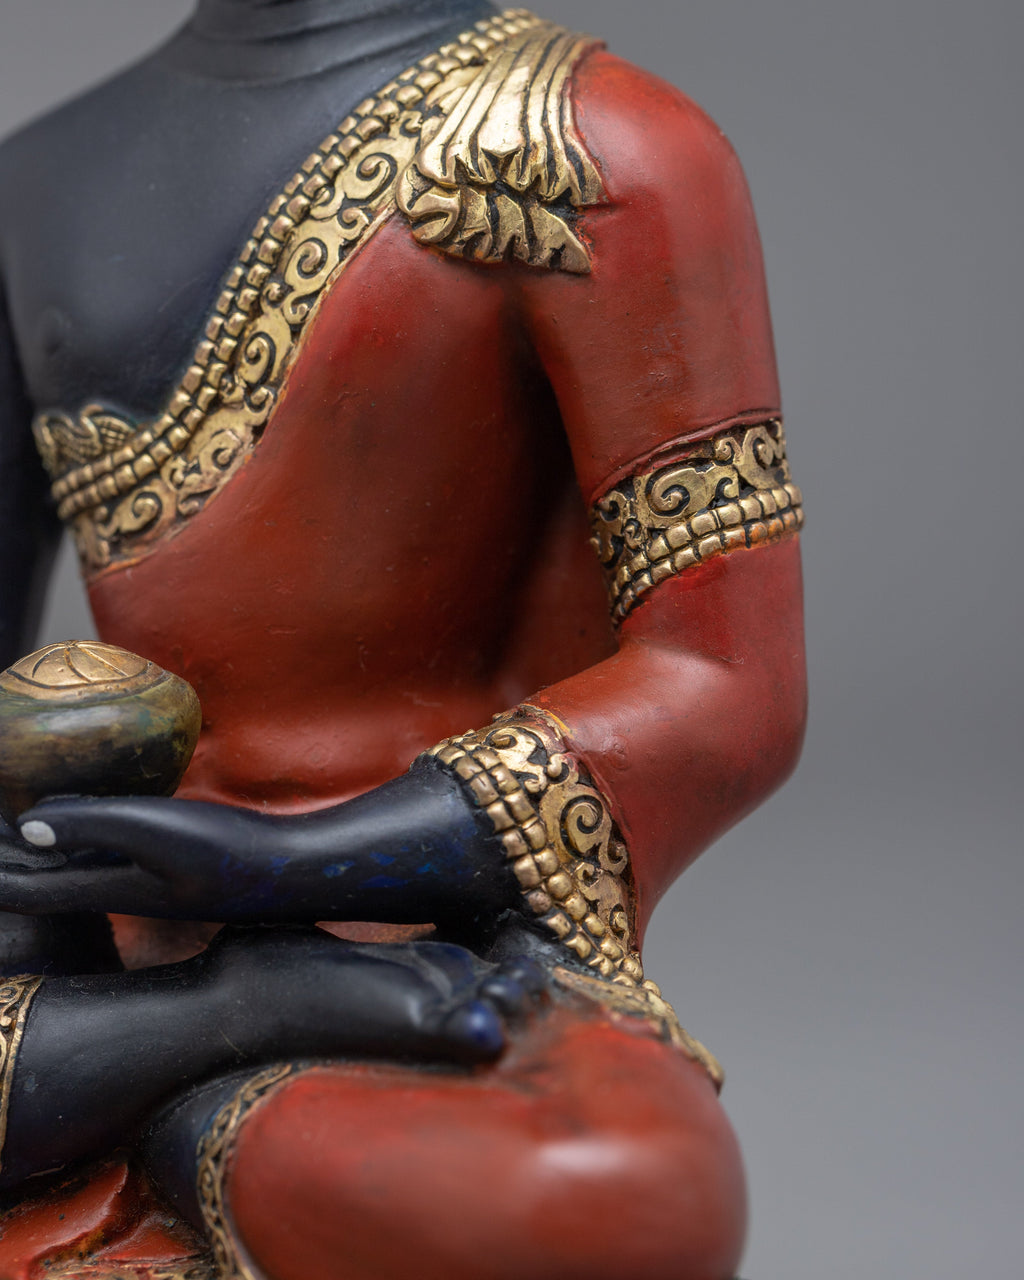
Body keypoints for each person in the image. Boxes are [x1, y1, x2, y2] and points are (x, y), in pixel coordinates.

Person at [0, 2, 806, 1276]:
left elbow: (723, 681)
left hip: (434, 931)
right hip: (89, 934)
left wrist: (293, 863)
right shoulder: (29, 184)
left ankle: (162, 1094)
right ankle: (186, 1044)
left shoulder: (590, 143)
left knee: (600, 1200)